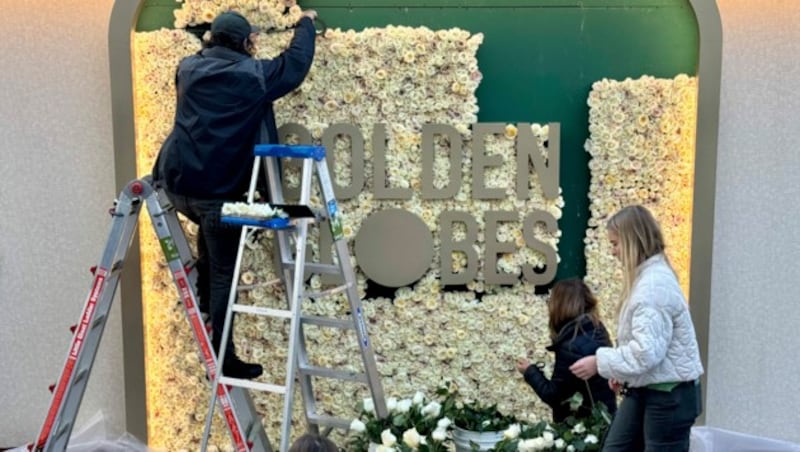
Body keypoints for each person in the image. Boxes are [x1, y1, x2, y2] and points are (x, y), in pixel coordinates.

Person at [152, 9, 317, 379]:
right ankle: (223, 359)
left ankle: (209, 314)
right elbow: (295, 64)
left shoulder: (187, 69)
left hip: (179, 188)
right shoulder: (253, 76)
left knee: (211, 258)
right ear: (246, 43)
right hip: (218, 193)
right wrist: (305, 23)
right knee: (225, 273)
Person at [570, 205, 704, 451]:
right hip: (653, 391)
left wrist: (599, 363)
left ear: (633, 242)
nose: (613, 252)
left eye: (615, 244)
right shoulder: (651, 280)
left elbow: (645, 353)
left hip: (667, 396)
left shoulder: (652, 286)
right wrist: (622, 373)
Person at [515, 278, 617, 422]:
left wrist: (529, 371)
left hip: (582, 426)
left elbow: (554, 395)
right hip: (606, 418)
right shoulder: (598, 330)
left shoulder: (570, 346)